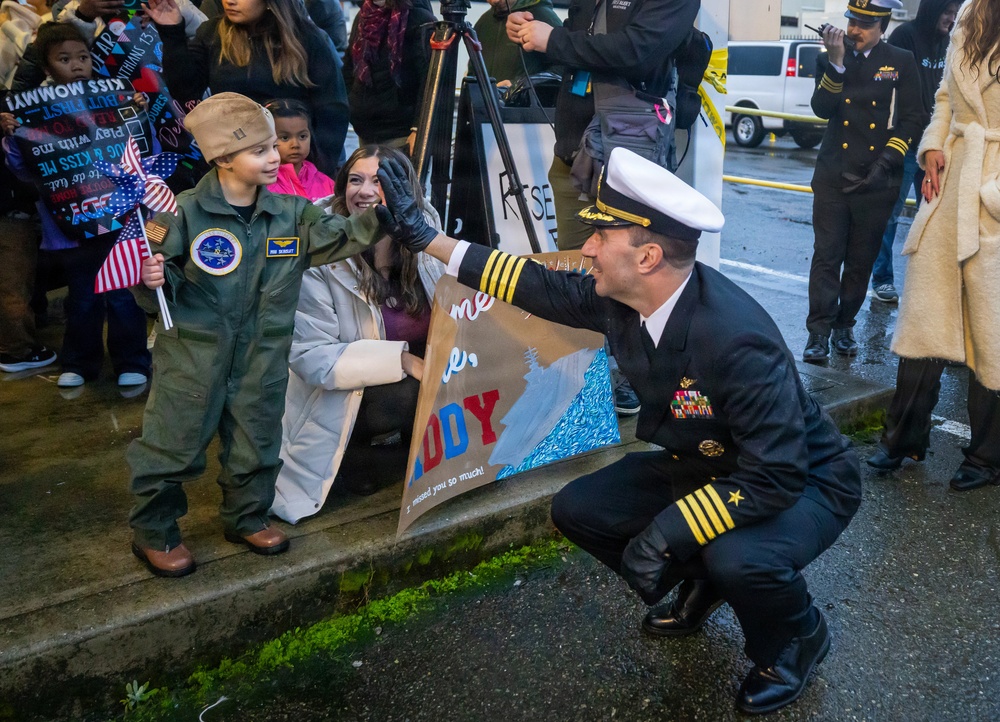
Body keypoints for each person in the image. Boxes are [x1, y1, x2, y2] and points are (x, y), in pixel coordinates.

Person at [375, 147, 862, 715]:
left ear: (649, 256)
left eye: (601, 237)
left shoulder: (737, 340)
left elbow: (775, 476)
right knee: (580, 508)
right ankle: (709, 582)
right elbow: (526, 280)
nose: (586, 248)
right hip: (717, 466)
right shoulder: (625, 299)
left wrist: (669, 532)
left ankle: (797, 637)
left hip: (805, 482)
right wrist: (423, 235)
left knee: (738, 555)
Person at [126, 93, 391, 578]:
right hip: (193, 356)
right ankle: (155, 531)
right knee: (173, 444)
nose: (277, 157)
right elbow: (156, 293)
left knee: (258, 440)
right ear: (223, 158)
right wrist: (152, 281)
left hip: (262, 353)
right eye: (261, 150)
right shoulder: (180, 216)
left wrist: (387, 215)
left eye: (276, 146)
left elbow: (343, 235)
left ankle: (247, 516)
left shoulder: (293, 213)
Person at [506, 0, 698, 416]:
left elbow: (636, 50)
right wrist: (533, 32)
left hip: (630, 155)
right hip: (574, 150)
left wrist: (551, 38)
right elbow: (583, 44)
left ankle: (631, 376)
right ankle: (584, 378)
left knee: (631, 270)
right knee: (578, 269)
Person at [866, 0, 1000, 492]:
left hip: (992, 192)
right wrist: (933, 147)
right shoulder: (971, 13)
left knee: (992, 333)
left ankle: (987, 457)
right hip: (949, 190)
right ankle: (903, 438)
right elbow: (946, 96)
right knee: (927, 318)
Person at [272, 146, 445, 522]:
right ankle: (357, 452)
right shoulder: (317, 249)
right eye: (355, 179)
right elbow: (309, 355)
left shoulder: (427, 235)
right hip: (340, 394)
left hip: (418, 372)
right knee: (410, 389)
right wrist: (402, 360)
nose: (365, 191)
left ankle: (414, 449)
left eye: (380, 182)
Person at [2, 22, 150, 389]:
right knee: (83, 298)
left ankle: (132, 361)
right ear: (47, 66)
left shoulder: (114, 97)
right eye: (64, 59)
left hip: (120, 218)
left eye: (82, 56)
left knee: (123, 293)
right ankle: (80, 364)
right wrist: (11, 137)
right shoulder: (32, 109)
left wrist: (137, 114)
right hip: (67, 226)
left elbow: (143, 153)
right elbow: (25, 170)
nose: (77, 64)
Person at [802, 0, 924, 364]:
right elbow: (822, 108)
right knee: (827, 256)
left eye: (864, 24)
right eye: (852, 21)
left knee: (860, 261)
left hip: (877, 179)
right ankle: (818, 333)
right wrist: (837, 62)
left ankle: (844, 325)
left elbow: (914, 118)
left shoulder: (900, 60)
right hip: (833, 177)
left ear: (882, 25)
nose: (854, 30)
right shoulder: (831, 58)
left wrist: (888, 160)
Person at [144, 0, 349, 175]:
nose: (230, 1)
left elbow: (333, 109)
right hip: (238, 166)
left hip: (296, 166)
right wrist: (172, 31)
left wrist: (315, 170)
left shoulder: (306, 37)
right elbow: (185, 90)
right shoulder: (213, 33)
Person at [870, 0, 961, 304]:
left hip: (936, 147)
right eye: (947, 12)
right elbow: (885, 87)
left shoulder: (950, 42)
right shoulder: (904, 37)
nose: (951, 18)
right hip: (904, 142)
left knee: (933, 214)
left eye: (955, 12)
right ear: (932, 10)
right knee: (889, 214)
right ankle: (882, 279)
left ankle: (926, 280)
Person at [342, 0, 435, 152]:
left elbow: (429, 81)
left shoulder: (419, 19)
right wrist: (352, 103)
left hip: (401, 133)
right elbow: (350, 64)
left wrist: (418, 128)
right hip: (366, 128)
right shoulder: (364, 15)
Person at [471, 0, 561, 87]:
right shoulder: (484, 22)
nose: (495, 1)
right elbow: (473, 69)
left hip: (526, 101)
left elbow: (562, 69)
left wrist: (519, 85)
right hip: (488, 101)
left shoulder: (543, 15)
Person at [265, 99, 336, 203]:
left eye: (302, 136)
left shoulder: (327, 183)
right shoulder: (261, 185)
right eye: (285, 138)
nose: (295, 145)